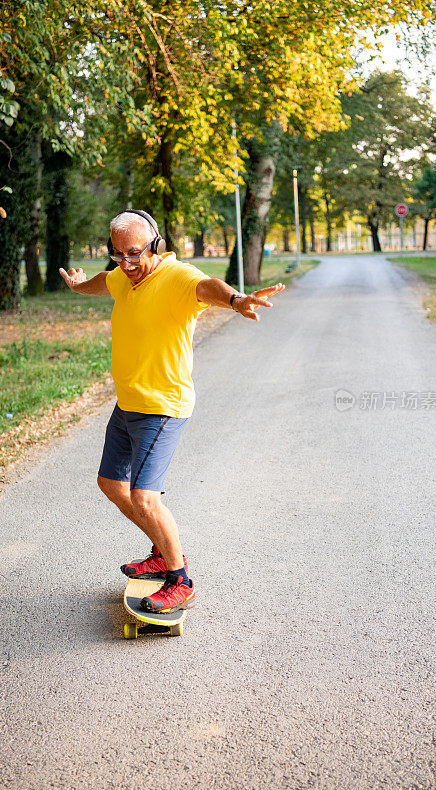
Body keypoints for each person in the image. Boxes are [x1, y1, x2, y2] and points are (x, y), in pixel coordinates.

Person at [59, 210, 284, 612]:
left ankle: (180, 580)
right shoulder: (121, 277)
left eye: (134, 253)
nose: (125, 263)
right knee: (111, 484)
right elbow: (103, 282)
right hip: (128, 402)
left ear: (156, 245)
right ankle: (162, 552)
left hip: (163, 406)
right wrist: (78, 286)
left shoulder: (176, 276)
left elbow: (207, 287)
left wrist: (235, 300)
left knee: (144, 497)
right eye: (117, 255)